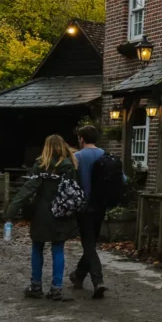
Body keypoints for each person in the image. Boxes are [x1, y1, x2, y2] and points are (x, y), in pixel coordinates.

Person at [6, 134, 79, 300]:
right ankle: (56, 288)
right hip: (61, 212)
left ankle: (36, 285)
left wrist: (11, 210)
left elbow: (28, 189)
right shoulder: (69, 165)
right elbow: (73, 190)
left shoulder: (40, 165)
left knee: (37, 248)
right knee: (58, 249)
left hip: (41, 212)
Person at [70, 124, 108, 298]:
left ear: (81, 139)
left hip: (83, 207)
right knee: (91, 243)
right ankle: (78, 275)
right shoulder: (106, 156)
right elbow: (122, 179)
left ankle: (97, 280)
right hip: (101, 206)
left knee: (88, 244)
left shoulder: (76, 157)